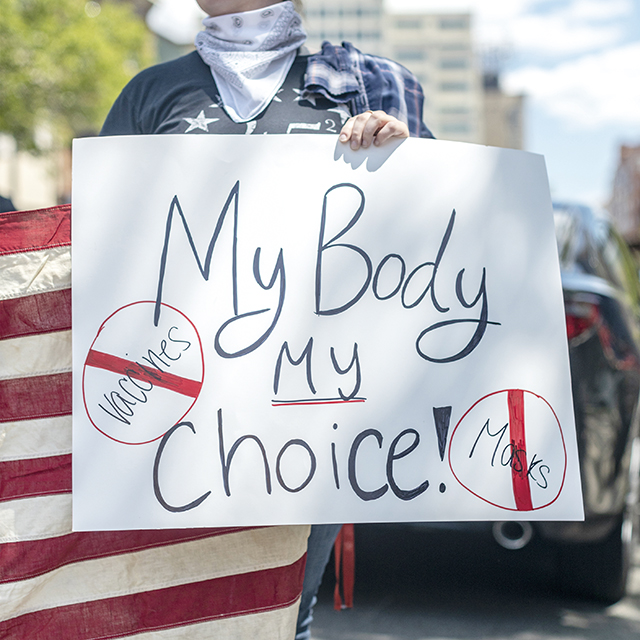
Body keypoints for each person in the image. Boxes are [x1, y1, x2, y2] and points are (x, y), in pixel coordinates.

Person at [100, 1, 433, 637]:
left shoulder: (365, 84)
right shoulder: (151, 92)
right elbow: (93, 242)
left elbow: (426, 244)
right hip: (171, 412)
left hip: (306, 420)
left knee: (281, 615)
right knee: (169, 617)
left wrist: (401, 157)